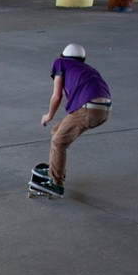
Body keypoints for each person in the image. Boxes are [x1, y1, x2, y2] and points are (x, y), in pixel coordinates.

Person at [36, 43, 113, 197]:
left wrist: (49, 115)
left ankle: (56, 183)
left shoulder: (60, 63)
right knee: (57, 131)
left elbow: (57, 95)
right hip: (105, 108)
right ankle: (55, 167)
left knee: (59, 142)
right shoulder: (88, 69)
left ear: (61, 56)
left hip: (88, 107)